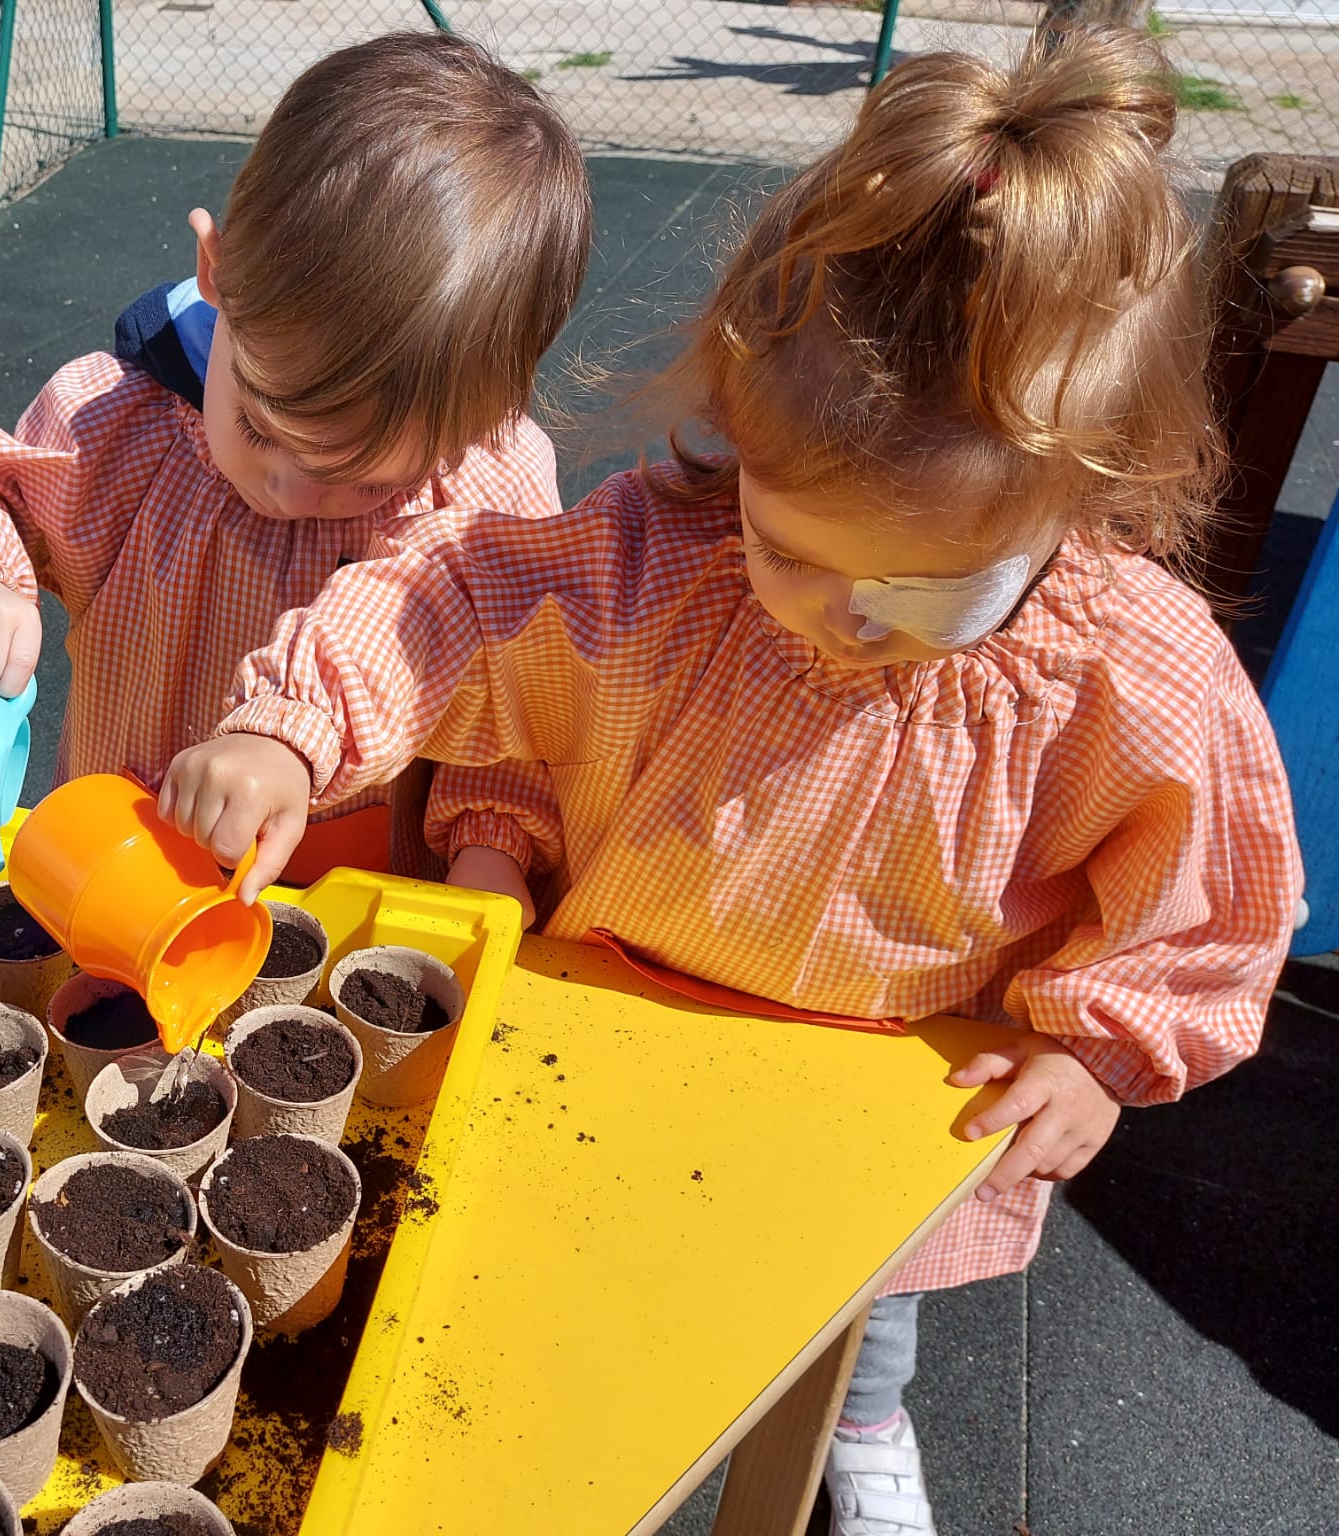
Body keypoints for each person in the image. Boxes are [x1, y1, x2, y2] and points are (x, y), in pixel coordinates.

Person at [158, 26, 1302, 1533]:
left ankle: (862, 1421)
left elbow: (1208, 900)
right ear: (738, 438)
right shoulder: (661, 563)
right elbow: (451, 598)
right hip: (602, 1042)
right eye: (787, 547)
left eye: (923, 593)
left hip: (867, 1110)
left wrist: (1101, 1054)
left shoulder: (1126, 677)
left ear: (1073, 498)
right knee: (563, 1300)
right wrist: (292, 725)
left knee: (848, 1316)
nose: (840, 620)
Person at [0, 30, 591, 883]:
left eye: (365, 480)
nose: (291, 491)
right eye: (262, 429)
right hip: (117, 873)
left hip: (356, 902)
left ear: (479, 416)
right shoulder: (117, 427)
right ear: (215, 272)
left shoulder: (482, 486)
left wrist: (492, 848)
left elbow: (514, 702)